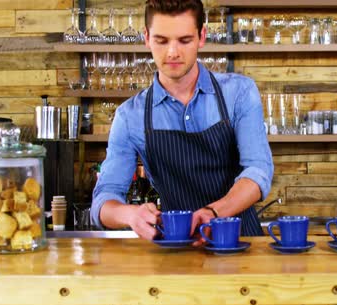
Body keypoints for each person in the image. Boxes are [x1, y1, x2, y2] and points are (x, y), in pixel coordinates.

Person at [91, 0, 273, 242]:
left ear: (202, 37)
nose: (173, 52)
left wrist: (214, 212)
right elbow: (104, 199)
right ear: (146, 38)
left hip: (242, 241)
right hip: (178, 245)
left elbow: (258, 170)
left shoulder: (239, 93)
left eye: (184, 40)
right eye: (161, 40)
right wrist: (129, 214)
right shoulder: (129, 116)